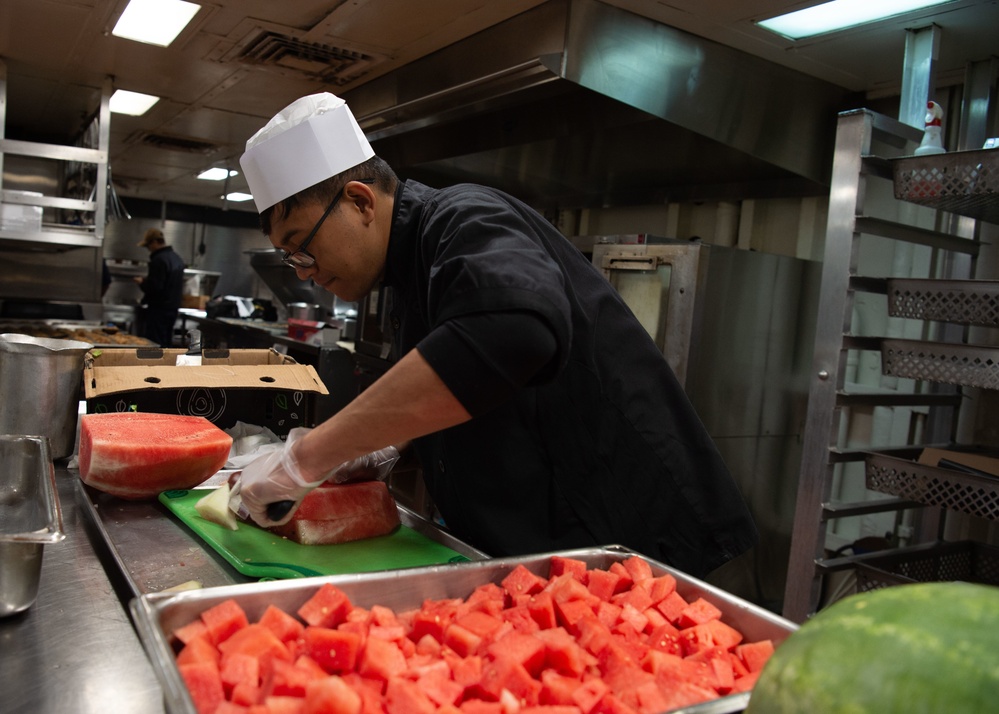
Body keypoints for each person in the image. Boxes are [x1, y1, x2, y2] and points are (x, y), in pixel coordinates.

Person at [234, 93, 757, 578]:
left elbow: (510, 333)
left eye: (300, 245)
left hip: (639, 555)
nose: (302, 270)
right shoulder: (405, 276)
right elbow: (480, 394)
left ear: (360, 202)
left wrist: (308, 457)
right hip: (543, 559)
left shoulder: (467, 218)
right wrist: (392, 447)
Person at [134, 227, 185, 347]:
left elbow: (155, 287)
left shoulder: (159, 260)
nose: (149, 249)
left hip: (159, 310)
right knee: (166, 344)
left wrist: (142, 283)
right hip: (172, 309)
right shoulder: (177, 258)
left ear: (155, 242)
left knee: (155, 346)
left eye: (148, 246)